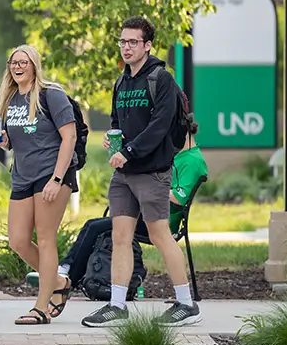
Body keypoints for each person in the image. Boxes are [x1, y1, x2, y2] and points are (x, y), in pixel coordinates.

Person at [82, 16, 202, 328]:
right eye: (123, 41)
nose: (126, 47)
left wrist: (130, 152)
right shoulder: (121, 82)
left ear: (147, 45)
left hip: (152, 171)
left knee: (160, 234)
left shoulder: (161, 79)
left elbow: (159, 126)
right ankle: (117, 305)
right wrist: (113, 137)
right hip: (123, 174)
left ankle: (186, 304)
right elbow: (116, 120)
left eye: (133, 42)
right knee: (120, 235)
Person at [54, 121, 207, 291]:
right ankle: (65, 269)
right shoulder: (178, 155)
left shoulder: (192, 160)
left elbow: (179, 198)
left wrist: (143, 190)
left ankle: (67, 280)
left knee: (96, 227)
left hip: (160, 220)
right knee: (92, 224)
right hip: (146, 212)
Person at [0, 45, 77, 325]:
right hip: (23, 175)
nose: (18, 66)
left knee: (46, 238)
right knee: (17, 240)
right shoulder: (11, 99)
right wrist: (3, 142)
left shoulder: (52, 94)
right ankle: (60, 282)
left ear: (34, 65)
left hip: (52, 174)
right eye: (13, 62)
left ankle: (41, 307)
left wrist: (57, 179)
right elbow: (17, 139)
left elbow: (70, 137)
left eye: (23, 62)